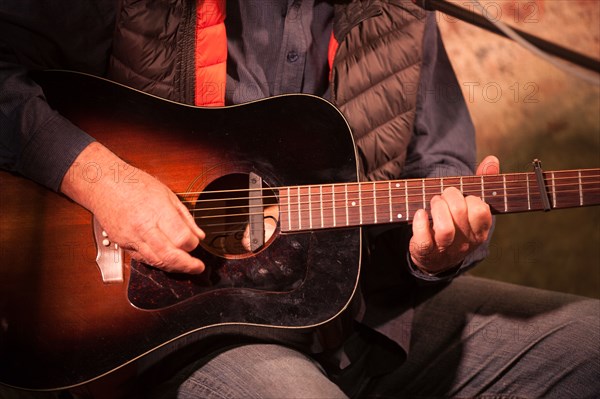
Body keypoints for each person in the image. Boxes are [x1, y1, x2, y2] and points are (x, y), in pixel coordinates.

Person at [1, 1, 598, 398]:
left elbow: (438, 168)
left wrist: (436, 252)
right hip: (180, 332)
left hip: (360, 316)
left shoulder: (392, 8)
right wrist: (103, 181)